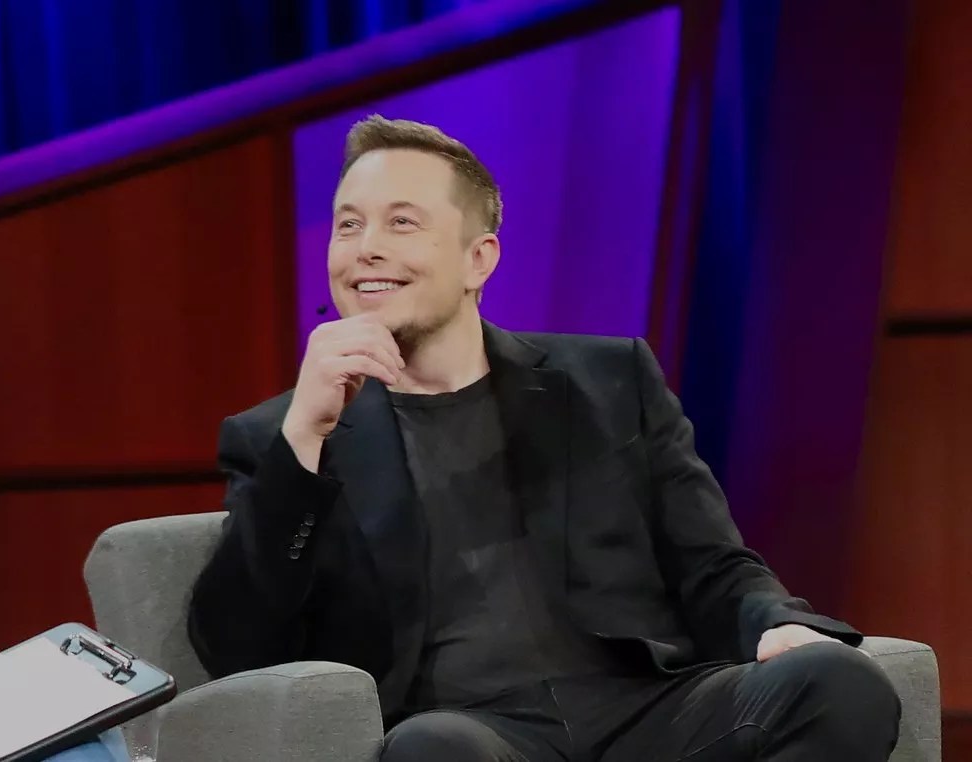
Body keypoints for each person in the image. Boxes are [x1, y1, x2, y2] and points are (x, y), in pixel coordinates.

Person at [187, 115, 901, 762]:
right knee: (435, 751)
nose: (366, 249)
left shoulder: (609, 380)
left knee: (839, 685)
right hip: (472, 732)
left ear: (479, 259)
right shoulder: (283, 437)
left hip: (650, 708)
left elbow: (711, 563)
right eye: (348, 226)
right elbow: (236, 650)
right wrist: (304, 439)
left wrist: (774, 623)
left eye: (401, 222)